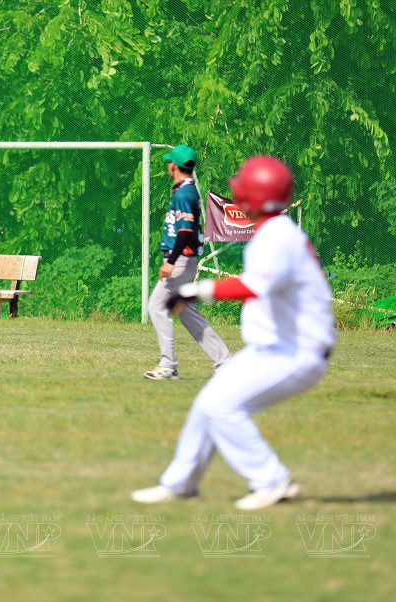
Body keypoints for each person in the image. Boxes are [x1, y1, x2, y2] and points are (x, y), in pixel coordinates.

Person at [131, 156, 336, 511]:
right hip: (275, 348)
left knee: (221, 406)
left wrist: (192, 291)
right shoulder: (276, 232)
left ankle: (272, 480)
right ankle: (179, 483)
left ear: (254, 197)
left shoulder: (276, 236)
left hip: (297, 351)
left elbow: (255, 286)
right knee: (206, 405)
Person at [145, 144, 231, 380]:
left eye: (169, 162)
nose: (167, 165)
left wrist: (171, 262)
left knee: (157, 306)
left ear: (174, 166)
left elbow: (184, 230)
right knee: (185, 312)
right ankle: (225, 362)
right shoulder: (186, 191)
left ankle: (168, 365)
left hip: (180, 259)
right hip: (184, 258)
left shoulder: (184, 194)